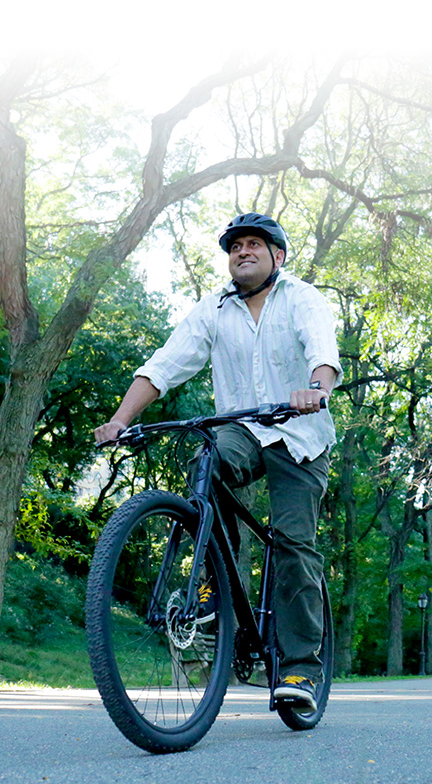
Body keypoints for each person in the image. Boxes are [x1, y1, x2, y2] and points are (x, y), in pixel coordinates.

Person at [94, 212, 341, 711]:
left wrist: (315, 390)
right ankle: (218, 597)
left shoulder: (302, 298)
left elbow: (323, 351)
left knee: (293, 543)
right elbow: (165, 365)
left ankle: (299, 670)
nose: (243, 252)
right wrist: (120, 419)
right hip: (243, 430)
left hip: (300, 435)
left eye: (255, 244)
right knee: (206, 464)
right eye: (235, 247)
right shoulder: (214, 309)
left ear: (278, 255)